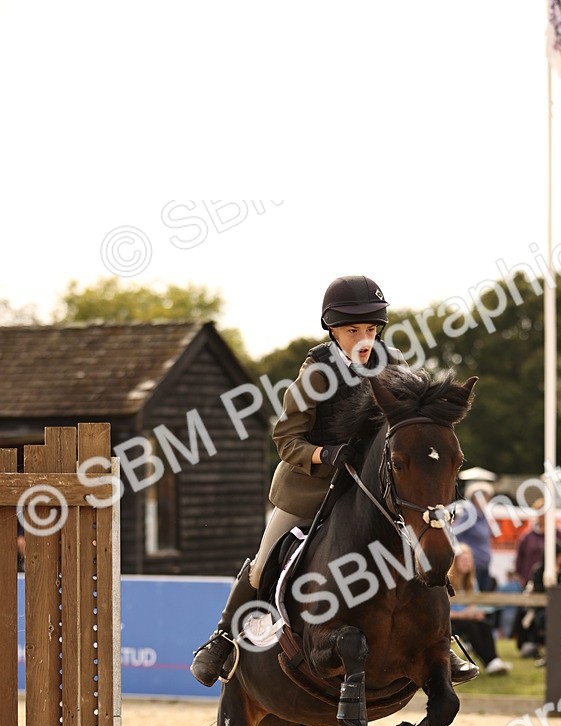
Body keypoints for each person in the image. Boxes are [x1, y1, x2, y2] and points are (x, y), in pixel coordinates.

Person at [191, 275, 479, 687]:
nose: (364, 339)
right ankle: (221, 640)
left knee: (420, 542)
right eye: (352, 331)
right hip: (313, 484)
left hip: (373, 488)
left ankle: (440, 644)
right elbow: (285, 438)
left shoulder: (393, 363)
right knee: (264, 560)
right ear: (332, 330)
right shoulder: (316, 372)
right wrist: (324, 454)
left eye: (371, 329)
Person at [448, 544, 511, 675]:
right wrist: (464, 614)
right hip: (452, 620)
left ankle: (494, 660)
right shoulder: (448, 581)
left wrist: (475, 612)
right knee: (471, 627)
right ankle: (488, 662)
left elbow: (473, 605)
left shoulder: (472, 582)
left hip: (466, 618)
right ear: (455, 562)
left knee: (484, 623)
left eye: (468, 560)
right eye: (463, 560)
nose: (466, 563)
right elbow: (445, 613)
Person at [516, 546, 561, 659]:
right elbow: (538, 591)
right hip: (543, 609)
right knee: (545, 618)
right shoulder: (540, 570)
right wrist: (553, 579)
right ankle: (540, 647)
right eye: (558, 556)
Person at [513, 500, 561, 585]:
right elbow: (520, 559)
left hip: (553, 581)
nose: (543, 516)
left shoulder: (558, 536)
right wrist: (521, 576)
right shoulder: (527, 537)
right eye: (540, 513)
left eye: (545, 513)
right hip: (530, 580)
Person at [454, 481, 495, 591]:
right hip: (472, 567)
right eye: (485, 498)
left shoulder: (483, 516)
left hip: (483, 565)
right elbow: (453, 535)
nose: (487, 501)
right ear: (475, 498)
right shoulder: (468, 515)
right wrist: (464, 555)